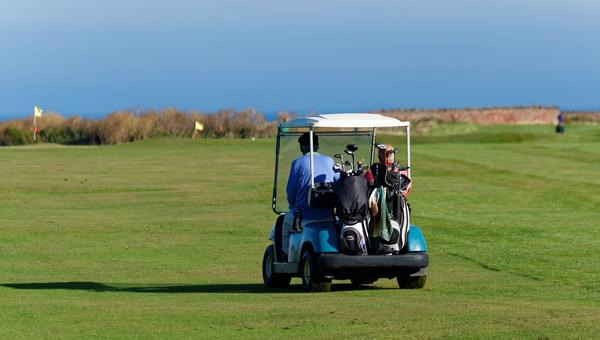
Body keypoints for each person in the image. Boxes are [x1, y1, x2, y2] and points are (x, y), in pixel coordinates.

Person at [282, 132, 337, 258]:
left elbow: (291, 193)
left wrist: (292, 206)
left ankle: (286, 258)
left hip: (304, 216)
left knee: (285, 222)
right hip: (328, 216)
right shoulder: (329, 161)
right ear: (317, 146)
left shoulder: (298, 163)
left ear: (302, 147)